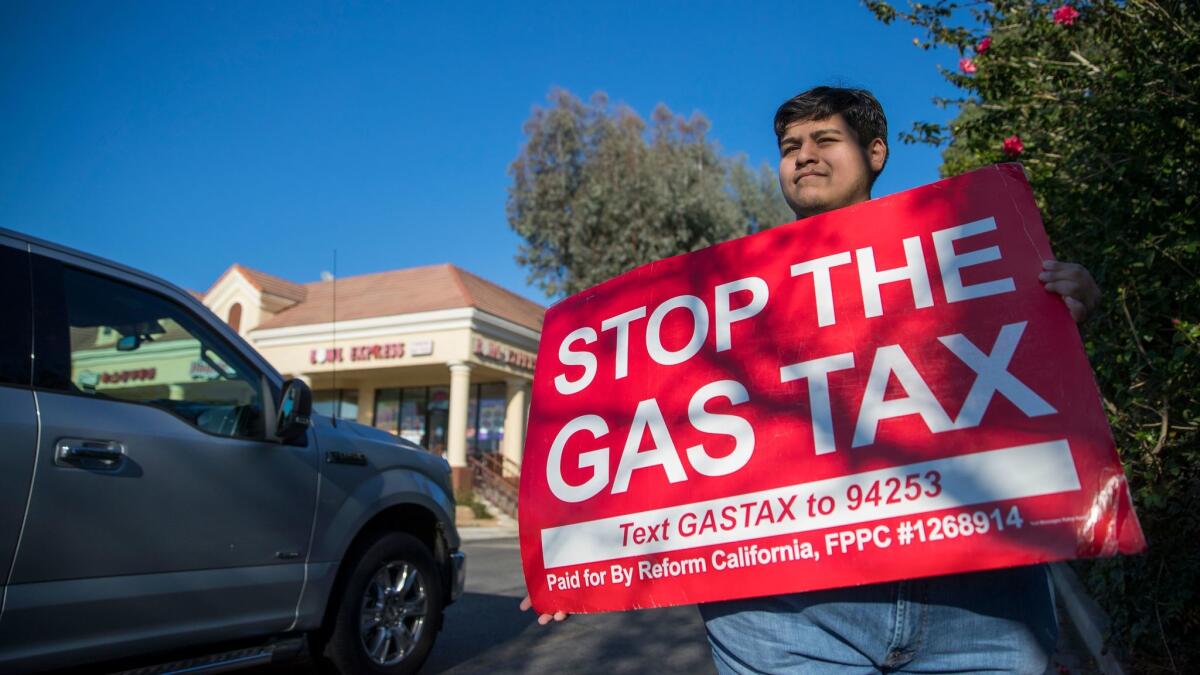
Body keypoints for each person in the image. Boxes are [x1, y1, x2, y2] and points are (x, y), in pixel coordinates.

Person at [523, 86, 1100, 674]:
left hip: (980, 606)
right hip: (783, 617)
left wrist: (1060, 315)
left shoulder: (964, 256)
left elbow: (1019, 396)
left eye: (826, 139)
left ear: (876, 152)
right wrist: (577, 558)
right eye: (790, 146)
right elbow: (654, 428)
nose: (804, 155)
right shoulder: (717, 303)